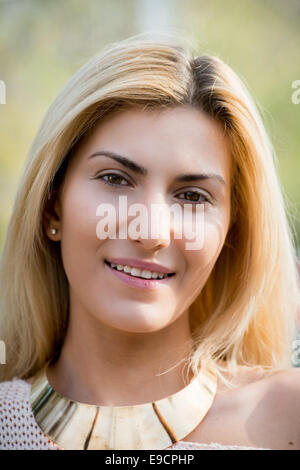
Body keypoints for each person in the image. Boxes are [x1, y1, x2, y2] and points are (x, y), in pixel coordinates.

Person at [0, 33, 299, 451]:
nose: (151, 232)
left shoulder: (288, 417)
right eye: (116, 179)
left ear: (232, 232)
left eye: (192, 196)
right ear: (52, 208)